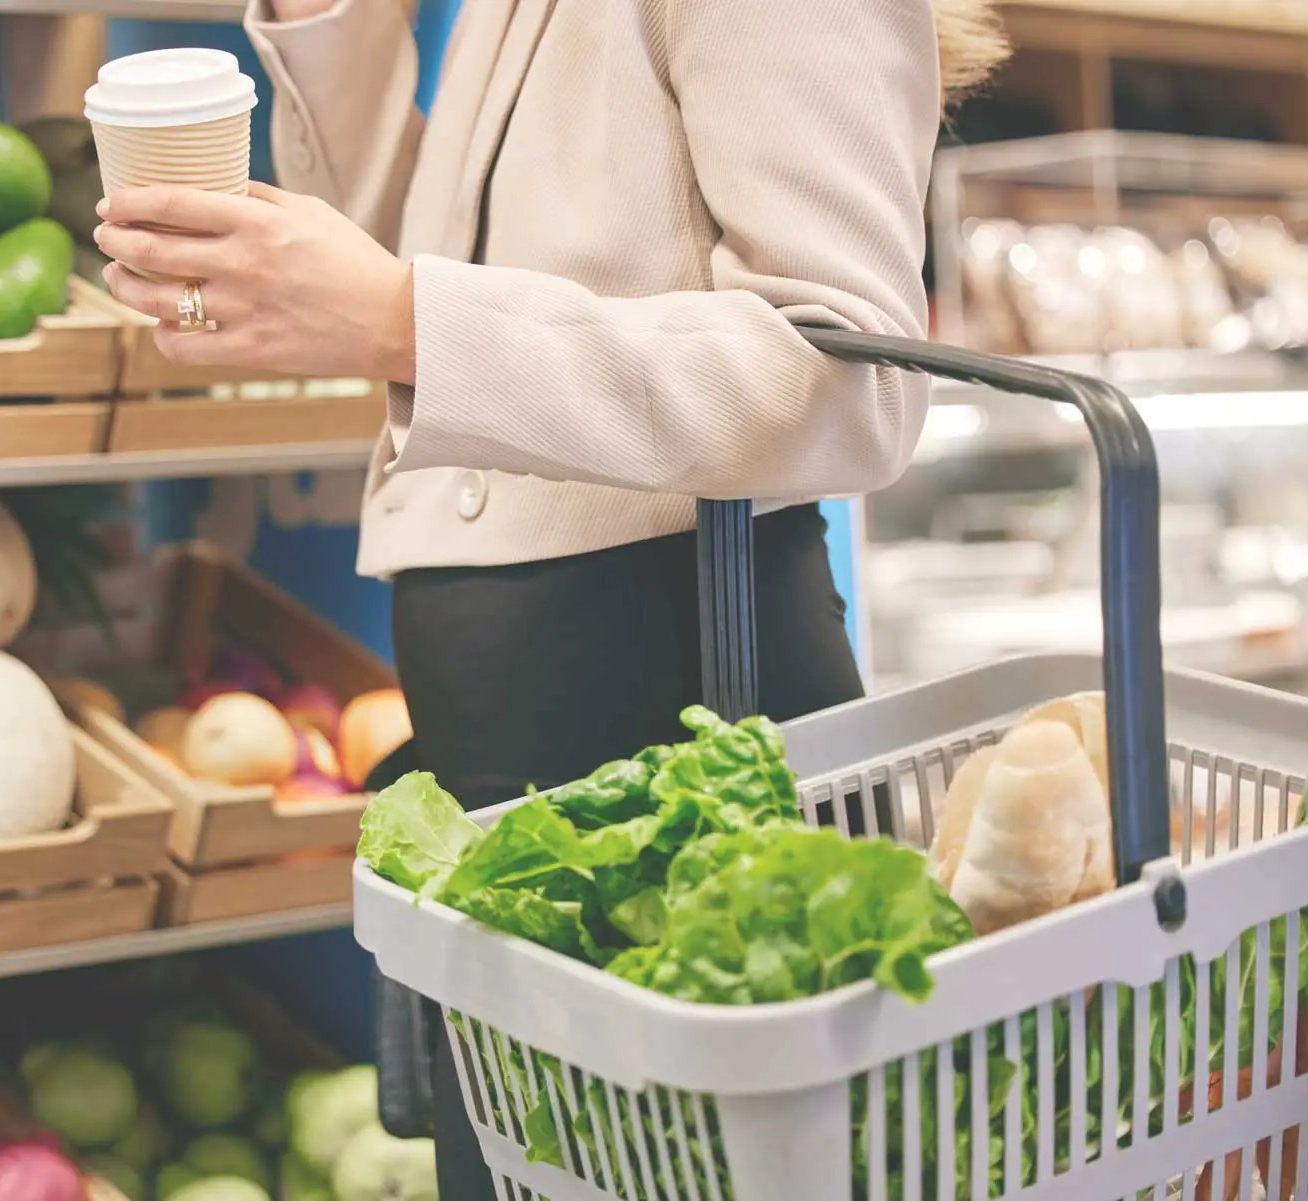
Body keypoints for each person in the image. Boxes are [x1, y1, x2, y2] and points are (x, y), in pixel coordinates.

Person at [93, 1, 1007, 1194]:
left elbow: (848, 378)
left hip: (680, 733)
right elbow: (423, 266)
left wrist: (401, 317)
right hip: (526, 754)